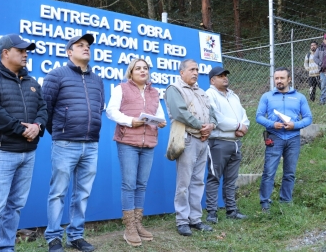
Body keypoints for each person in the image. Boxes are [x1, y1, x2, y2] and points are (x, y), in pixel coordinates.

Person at [0, 34, 48, 251]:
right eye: (21, 50)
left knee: (15, 206)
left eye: (27, 50)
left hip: (28, 154)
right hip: (0, 153)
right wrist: (21, 129)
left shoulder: (32, 82)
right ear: (6, 52)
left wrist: (38, 126)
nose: (26, 54)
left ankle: (6, 247)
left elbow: (43, 109)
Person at [42, 34, 104, 252]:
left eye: (87, 46)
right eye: (80, 45)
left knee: (82, 193)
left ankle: (76, 236)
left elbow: (99, 109)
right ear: (69, 52)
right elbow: (45, 110)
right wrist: (60, 132)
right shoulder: (56, 75)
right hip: (65, 143)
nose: (86, 48)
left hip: (91, 145)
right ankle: (53, 238)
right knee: (58, 192)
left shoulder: (97, 80)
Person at [106, 58, 167, 246]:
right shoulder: (121, 89)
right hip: (127, 142)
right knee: (129, 184)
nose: (142, 71)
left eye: (145, 68)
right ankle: (129, 227)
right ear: (130, 72)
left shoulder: (154, 92)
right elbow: (111, 111)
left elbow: (161, 115)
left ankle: (138, 223)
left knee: (141, 185)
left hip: (148, 143)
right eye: (138, 68)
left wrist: (161, 121)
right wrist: (131, 121)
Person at [164, 59, 217, 236]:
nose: (196, 73)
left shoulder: (201, 92)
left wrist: (211, 126)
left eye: (197, 70)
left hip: (203, 140)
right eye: (192, 69)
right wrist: (202, 126)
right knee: (184, 183)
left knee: (198, 181)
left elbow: (213, 114)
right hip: (187, 139)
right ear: (181, 72)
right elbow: (180, 113)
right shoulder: (174, 89)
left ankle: (195, 219)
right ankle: (182, 221)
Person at [256, 67, 312, 213]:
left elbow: (308, 118)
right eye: (276, 78)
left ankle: (286, 201)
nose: (279, 81)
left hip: (293, 138)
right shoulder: (267, 97)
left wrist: (295, 125)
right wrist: (272, 124)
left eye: (282, 78)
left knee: (290, 172)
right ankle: (265, 203)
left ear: (289, 79)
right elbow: (259, 116)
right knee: (269, 171)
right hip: (275, 137)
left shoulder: (299, 97)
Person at [205, 66, 250, 224]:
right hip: (218, 142)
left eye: (226, 75)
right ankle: (212, 212)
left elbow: (244, 116)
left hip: (235, 143)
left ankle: (231, 210)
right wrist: (238, 126)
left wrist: (243, 128)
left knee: (231, 179)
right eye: (220, 76)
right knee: (214, 177)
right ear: (212, 80)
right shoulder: (209, 94)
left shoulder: (233, 95)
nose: (225, 78)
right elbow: (217, 119)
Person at [313, 34, 326, 105]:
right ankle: (323, 101)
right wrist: (321, 63)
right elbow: (315, 58)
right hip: (323, 71)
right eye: (325, 39)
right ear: (323, 40)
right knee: (323, 86)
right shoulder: (319, 48)